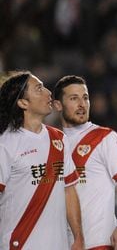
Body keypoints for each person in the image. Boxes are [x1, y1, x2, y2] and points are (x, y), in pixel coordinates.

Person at [0, 71, 84, 250]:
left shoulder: (59, 139)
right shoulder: (5, 144)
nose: (48, 92)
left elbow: (69, 190)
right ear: (23, 103)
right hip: (19, 244)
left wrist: (78, 236)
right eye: (39, 88)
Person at [53, 75, 117, 250]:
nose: (82, 104)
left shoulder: (105, 137)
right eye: (74, 98)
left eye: (85, 98)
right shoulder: (51, 142)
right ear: (58, 105)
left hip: (100, 241)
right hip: (63, 243)